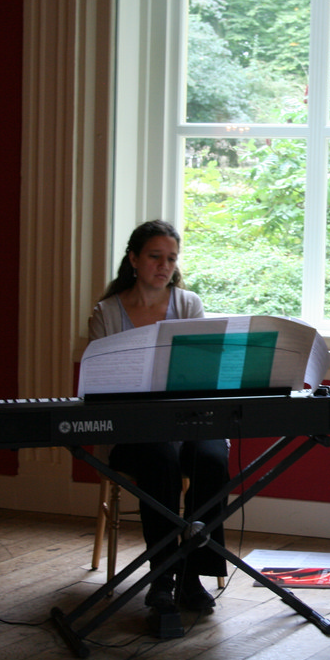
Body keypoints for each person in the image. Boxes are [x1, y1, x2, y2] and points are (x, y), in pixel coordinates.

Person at [88, 219, 228, 613]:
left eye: (171, 258)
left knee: (211, 458)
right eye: (155, 257)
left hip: (189, 419)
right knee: (160, 458)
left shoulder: (188, 305)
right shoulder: (106, 313)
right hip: (131, 428)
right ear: (133, 259)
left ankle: (193, 574)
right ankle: (162, 577)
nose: (164, 265)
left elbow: (201, 373)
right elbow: (100, 382)